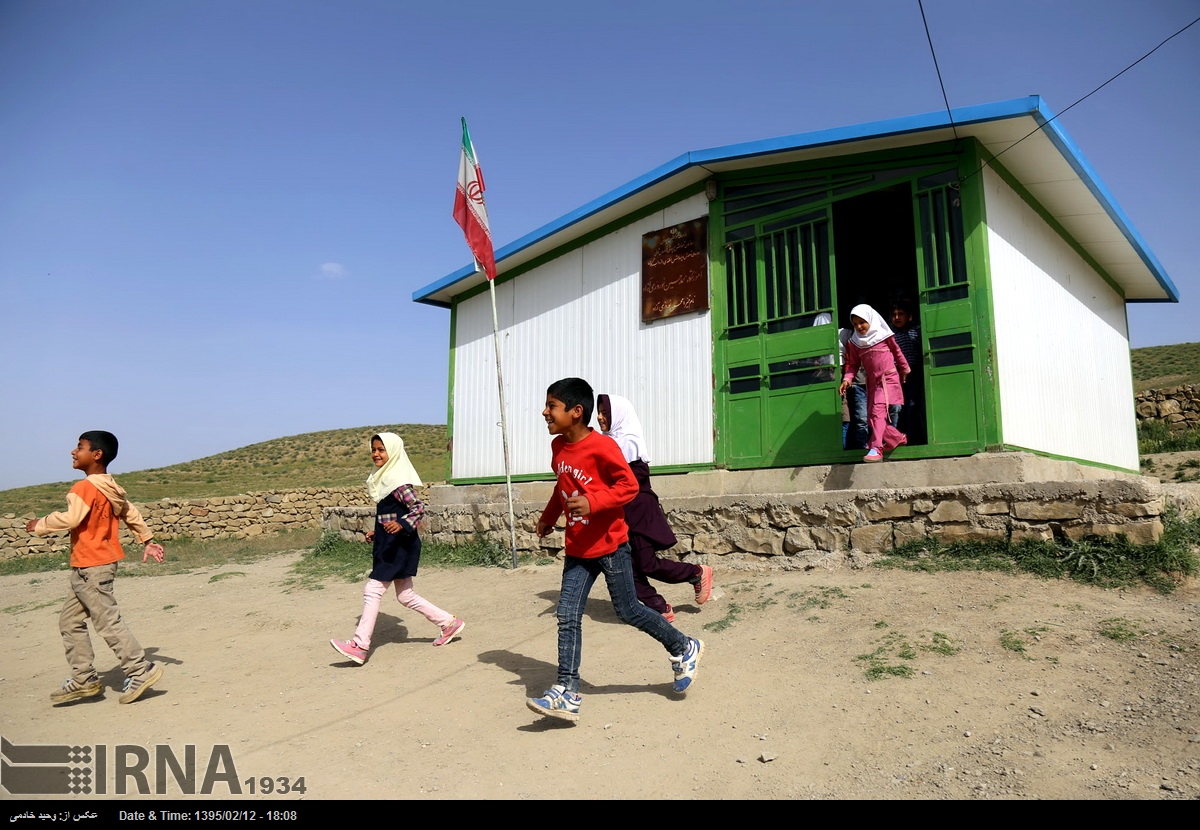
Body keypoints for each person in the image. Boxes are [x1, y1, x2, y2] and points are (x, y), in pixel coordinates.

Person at [528, 378, 703, 722]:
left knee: (628, 610)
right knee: (567, 614)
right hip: (578, 547)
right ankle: (567, 691)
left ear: (576, 412)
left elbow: (628, 486)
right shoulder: (558, 448)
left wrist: (593, 502)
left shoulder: (603, 447)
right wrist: (549, 518)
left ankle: (683, 647)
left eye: (552, 406)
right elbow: (561, 488)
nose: (544, 412)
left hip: (610, 544)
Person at [26, 431, 166, 705]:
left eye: (80, 447)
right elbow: (130, 512)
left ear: (96, 454)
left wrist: (40, 524)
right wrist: (147, 539)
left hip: (93, 566)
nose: (73, 452)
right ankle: (84, 679)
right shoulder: (109, 486)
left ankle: (140, 670)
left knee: (107, 622)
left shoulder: (84, 488)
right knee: (69, 621)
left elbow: (72, 517)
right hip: (89, 567)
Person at [330, 433, 464, 665]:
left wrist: (401, 524)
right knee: (405, 595)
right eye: (373, 449)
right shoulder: (385, 479)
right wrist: (378, 531)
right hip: (391, 542)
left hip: (400, 546)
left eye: (381, 449)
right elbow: (390, 515)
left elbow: (418, 508)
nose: (376, 454)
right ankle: (448, 623)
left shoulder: (398, 482)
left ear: (394, 451)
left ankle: (360, 645)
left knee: (373, 589)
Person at [596, 393, 712, 622]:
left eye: (605, 413)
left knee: (646, 564)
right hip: (620, 513)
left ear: (618, 415)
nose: (600, 418)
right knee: (628, 567)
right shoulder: (607, 442)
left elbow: (637, 477)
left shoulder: (628, 439)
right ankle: (658, 606)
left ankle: (696, 573)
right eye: (599, 413)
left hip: (638, 511)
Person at [838, 304, 910, 462]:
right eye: (855, 324)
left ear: (871, 319)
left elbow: (897, 352)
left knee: (877, 413)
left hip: (888, 379)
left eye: (862, 322)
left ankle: (876, 448)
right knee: (871, 417)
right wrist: (847, 379)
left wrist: (904, 369)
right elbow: (853, 364)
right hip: (872, 382)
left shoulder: (884, 336)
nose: (859, 326)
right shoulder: (855, 342)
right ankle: (898, 437)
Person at [890, 299, 925, 444]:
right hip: (898, 377)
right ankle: (901, 438)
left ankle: (915, 438)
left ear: (910, 316)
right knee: (900, 409)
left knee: (914, 407)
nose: (897, 317)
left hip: (915, 375)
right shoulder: (892, 336)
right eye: (894, 315)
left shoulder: (916, 332)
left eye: (901, 314)